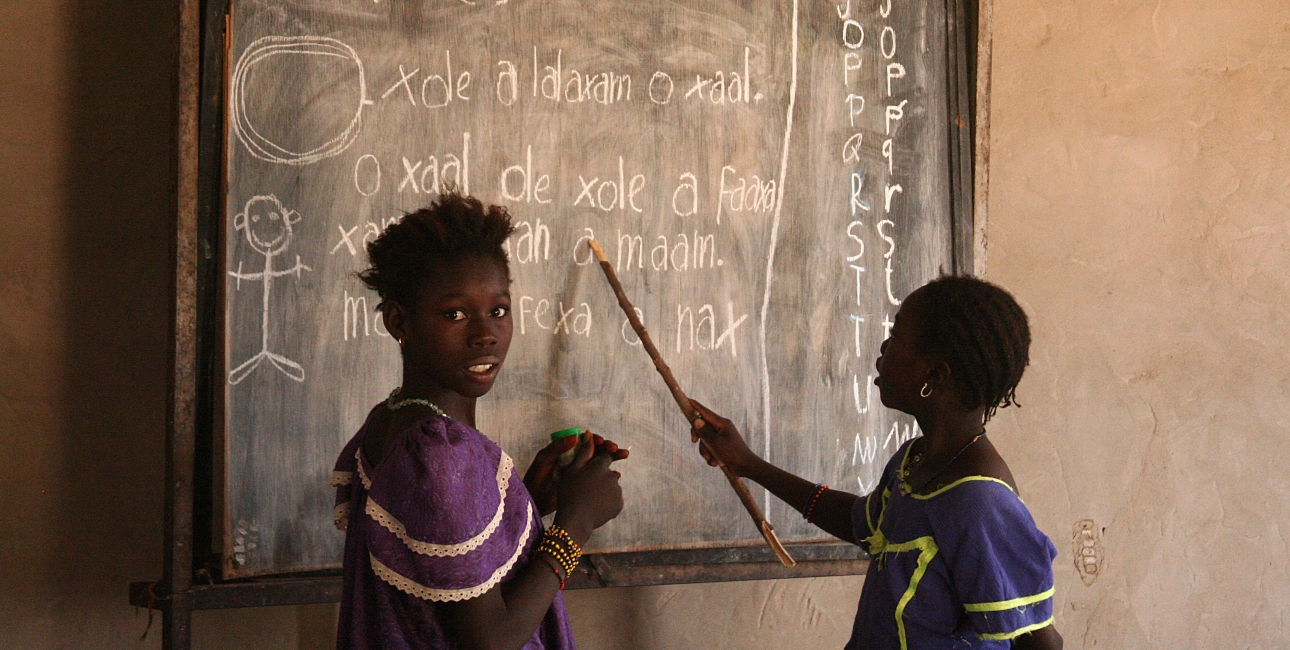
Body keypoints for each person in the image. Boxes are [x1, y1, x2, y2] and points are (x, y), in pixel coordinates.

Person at [689, 276, 1063, 650]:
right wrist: (748, 464)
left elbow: (1039, 643)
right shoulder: (915, 462)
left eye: (896, 336)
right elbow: (862, 524)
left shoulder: (979, 502)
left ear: (933, 375)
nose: (884, 346)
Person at [330, 193, 628, 650]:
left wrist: (521, 502)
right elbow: (492, 641)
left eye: (499, 310)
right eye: (455, 314)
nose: (485, 333)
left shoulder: (392, 419)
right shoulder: (439, 454)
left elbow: (448, 569)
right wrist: (575, 524)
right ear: (398, 321)